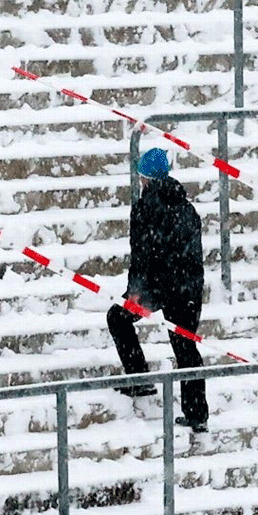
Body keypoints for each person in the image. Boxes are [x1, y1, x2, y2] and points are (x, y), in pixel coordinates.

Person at [107, 147, 208, 432]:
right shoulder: (186, 207)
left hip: (156, 288)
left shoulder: (145, 207)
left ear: (145, 177)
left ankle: (139, 380)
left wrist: (134, 292)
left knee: (117, 318)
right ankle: (197, 415)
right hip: (187, 288)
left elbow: (141, 253)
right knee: (186, 348)